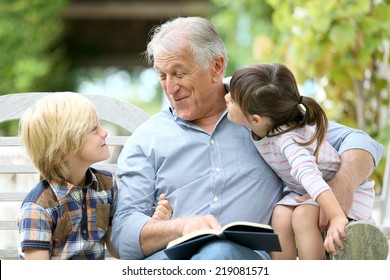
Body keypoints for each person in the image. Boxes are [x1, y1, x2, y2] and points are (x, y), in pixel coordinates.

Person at [111, 16, 384, 260]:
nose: (171, 87)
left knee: (219, 253)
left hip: (246, 260)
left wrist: (341, 187)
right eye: (162, 76)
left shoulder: (262, 113)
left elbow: (362, 143)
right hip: (171, 261)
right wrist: (181, 227)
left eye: (180, 73)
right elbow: (124, 234)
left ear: (216, 67)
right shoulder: (148, 138)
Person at [224, 63, 378, 259]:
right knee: (280, 215)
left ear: (255, 120)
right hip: (305, 192)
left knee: (302, 217)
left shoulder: (289, 140)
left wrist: (337, 215)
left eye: (233, 99)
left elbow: (310, 175)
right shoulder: (265, 123)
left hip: (337, 195)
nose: (226, 97)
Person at [16, 92, 171, 260]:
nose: (104, 132)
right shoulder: (39, 208)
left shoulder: (105, 186)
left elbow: (117, 249)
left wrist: (154, 226)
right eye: (94, 129)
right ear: (67, 146)